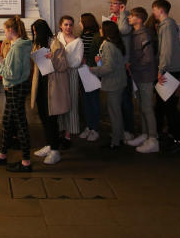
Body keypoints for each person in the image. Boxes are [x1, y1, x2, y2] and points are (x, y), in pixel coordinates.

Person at [0, 16, 33, 171]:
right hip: (18, 86)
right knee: (7, 122)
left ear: (11, 30)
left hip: (15, 87)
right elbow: (15, 67)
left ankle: (26, 162)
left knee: (20, 125)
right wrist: (2, 60)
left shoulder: (18, 47)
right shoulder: (20, 45)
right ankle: (2, 155)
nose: (5, 33)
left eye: (5, 30)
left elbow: (11, 73)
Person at [29, 17, 69, 164]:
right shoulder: (38, 44)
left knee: (51, 118)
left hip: (53, 87)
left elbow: (64, 65)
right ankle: (49, 144)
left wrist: (53, 58)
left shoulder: (56, 44)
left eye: (36, 32)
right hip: (41, 84)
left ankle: (55, 150)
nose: (34, 35)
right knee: (43, 115)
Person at [124, 6, 159, 153]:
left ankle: (153, 139)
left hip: (145, 76)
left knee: (147, 108)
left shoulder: (144, 34)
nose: (129, 18)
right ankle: (145, 134)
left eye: (132, 16)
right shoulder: (134, 33)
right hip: (138, 76)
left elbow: (148, 58)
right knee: (142, 107)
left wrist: (133, 66)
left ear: (139, 19)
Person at [89, 20, 128, 148]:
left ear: (106, 31)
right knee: (116, 111)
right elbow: (111, 63)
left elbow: (109, 67)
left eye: (101, 29)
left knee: (114, 112)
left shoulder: (108, 45)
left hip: (113, 83)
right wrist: (99, 62)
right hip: (117, 81)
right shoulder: (113, 43)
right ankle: (119, 136)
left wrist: (92, 69)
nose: (99, 30)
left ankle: (116, 141)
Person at [152, 0, 180, 145]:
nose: (152, 12)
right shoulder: (167, 25)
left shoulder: (167, 25)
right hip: (170, 69)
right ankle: (170, 134)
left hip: (169, 70)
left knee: (169, 106)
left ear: (160, 10)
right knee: (164, 104)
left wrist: (161, 70)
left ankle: (178, 137)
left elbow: (166, 50)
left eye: (154, 9)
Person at [105, 0, 136, 141]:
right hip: (114, 63)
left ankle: (128, 130)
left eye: (114, 3)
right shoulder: (112, 18)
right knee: (116, 101)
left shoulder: (126, 17)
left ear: (122, 5)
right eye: (110, 3)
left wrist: (123, 13)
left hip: (124, 63)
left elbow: (123, 30)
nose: (111, 5)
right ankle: (119, 129)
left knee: (125, 100)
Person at [54, 14, 83, 146]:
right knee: (59, 102)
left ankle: (68, 133)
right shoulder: (57, 38)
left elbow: (77, 61)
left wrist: (62, 58)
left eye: (71, 25)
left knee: (71, 102)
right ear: (61, 25)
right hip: (58, 74)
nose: (68, 27)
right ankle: (60, 128)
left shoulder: (78, 41)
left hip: (71, 73)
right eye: (66, 24)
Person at [77, 12, 103, 141]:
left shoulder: (97, 37)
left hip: (92, 72)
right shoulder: (81, 36)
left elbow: (100, 54)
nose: (79, 23)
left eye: (81, 21)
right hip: (82, 72)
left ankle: (95, 129)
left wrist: (88, 60)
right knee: (86, 101)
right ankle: (88, 126)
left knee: (93, 101)